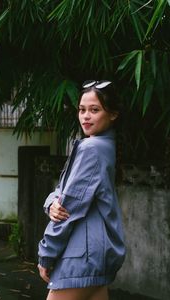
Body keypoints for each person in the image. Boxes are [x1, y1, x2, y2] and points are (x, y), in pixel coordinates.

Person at [38, 80, 126, 300]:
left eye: (94, 110)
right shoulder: (105, 145)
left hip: (81, 256)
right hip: (98, 253)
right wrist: (51, 203)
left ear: (113, 114)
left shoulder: (91, 148)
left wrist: (46, 255)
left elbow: (68, 209)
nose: (86, 116)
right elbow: (62, 190)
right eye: (82, 110)